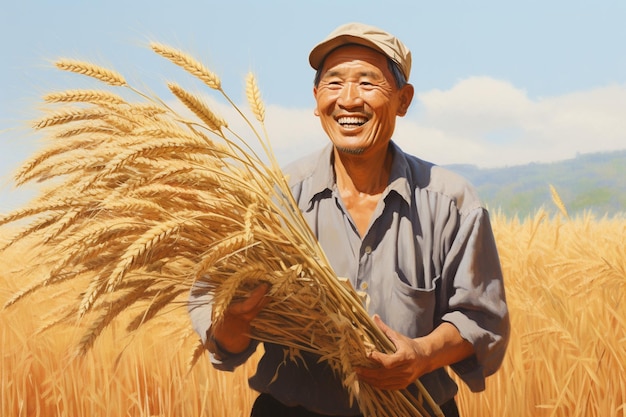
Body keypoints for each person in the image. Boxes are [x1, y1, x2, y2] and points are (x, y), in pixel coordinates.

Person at [188, 22, 510, 417]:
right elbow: (225, 339)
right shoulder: (274, 200)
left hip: (415, 409)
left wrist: (421, 355)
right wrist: (235, 319)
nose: (348, 100)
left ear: (403, 100)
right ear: (315, 97)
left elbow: (481, 320)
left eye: (368, 83)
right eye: (334, 83)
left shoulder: (451, 202)